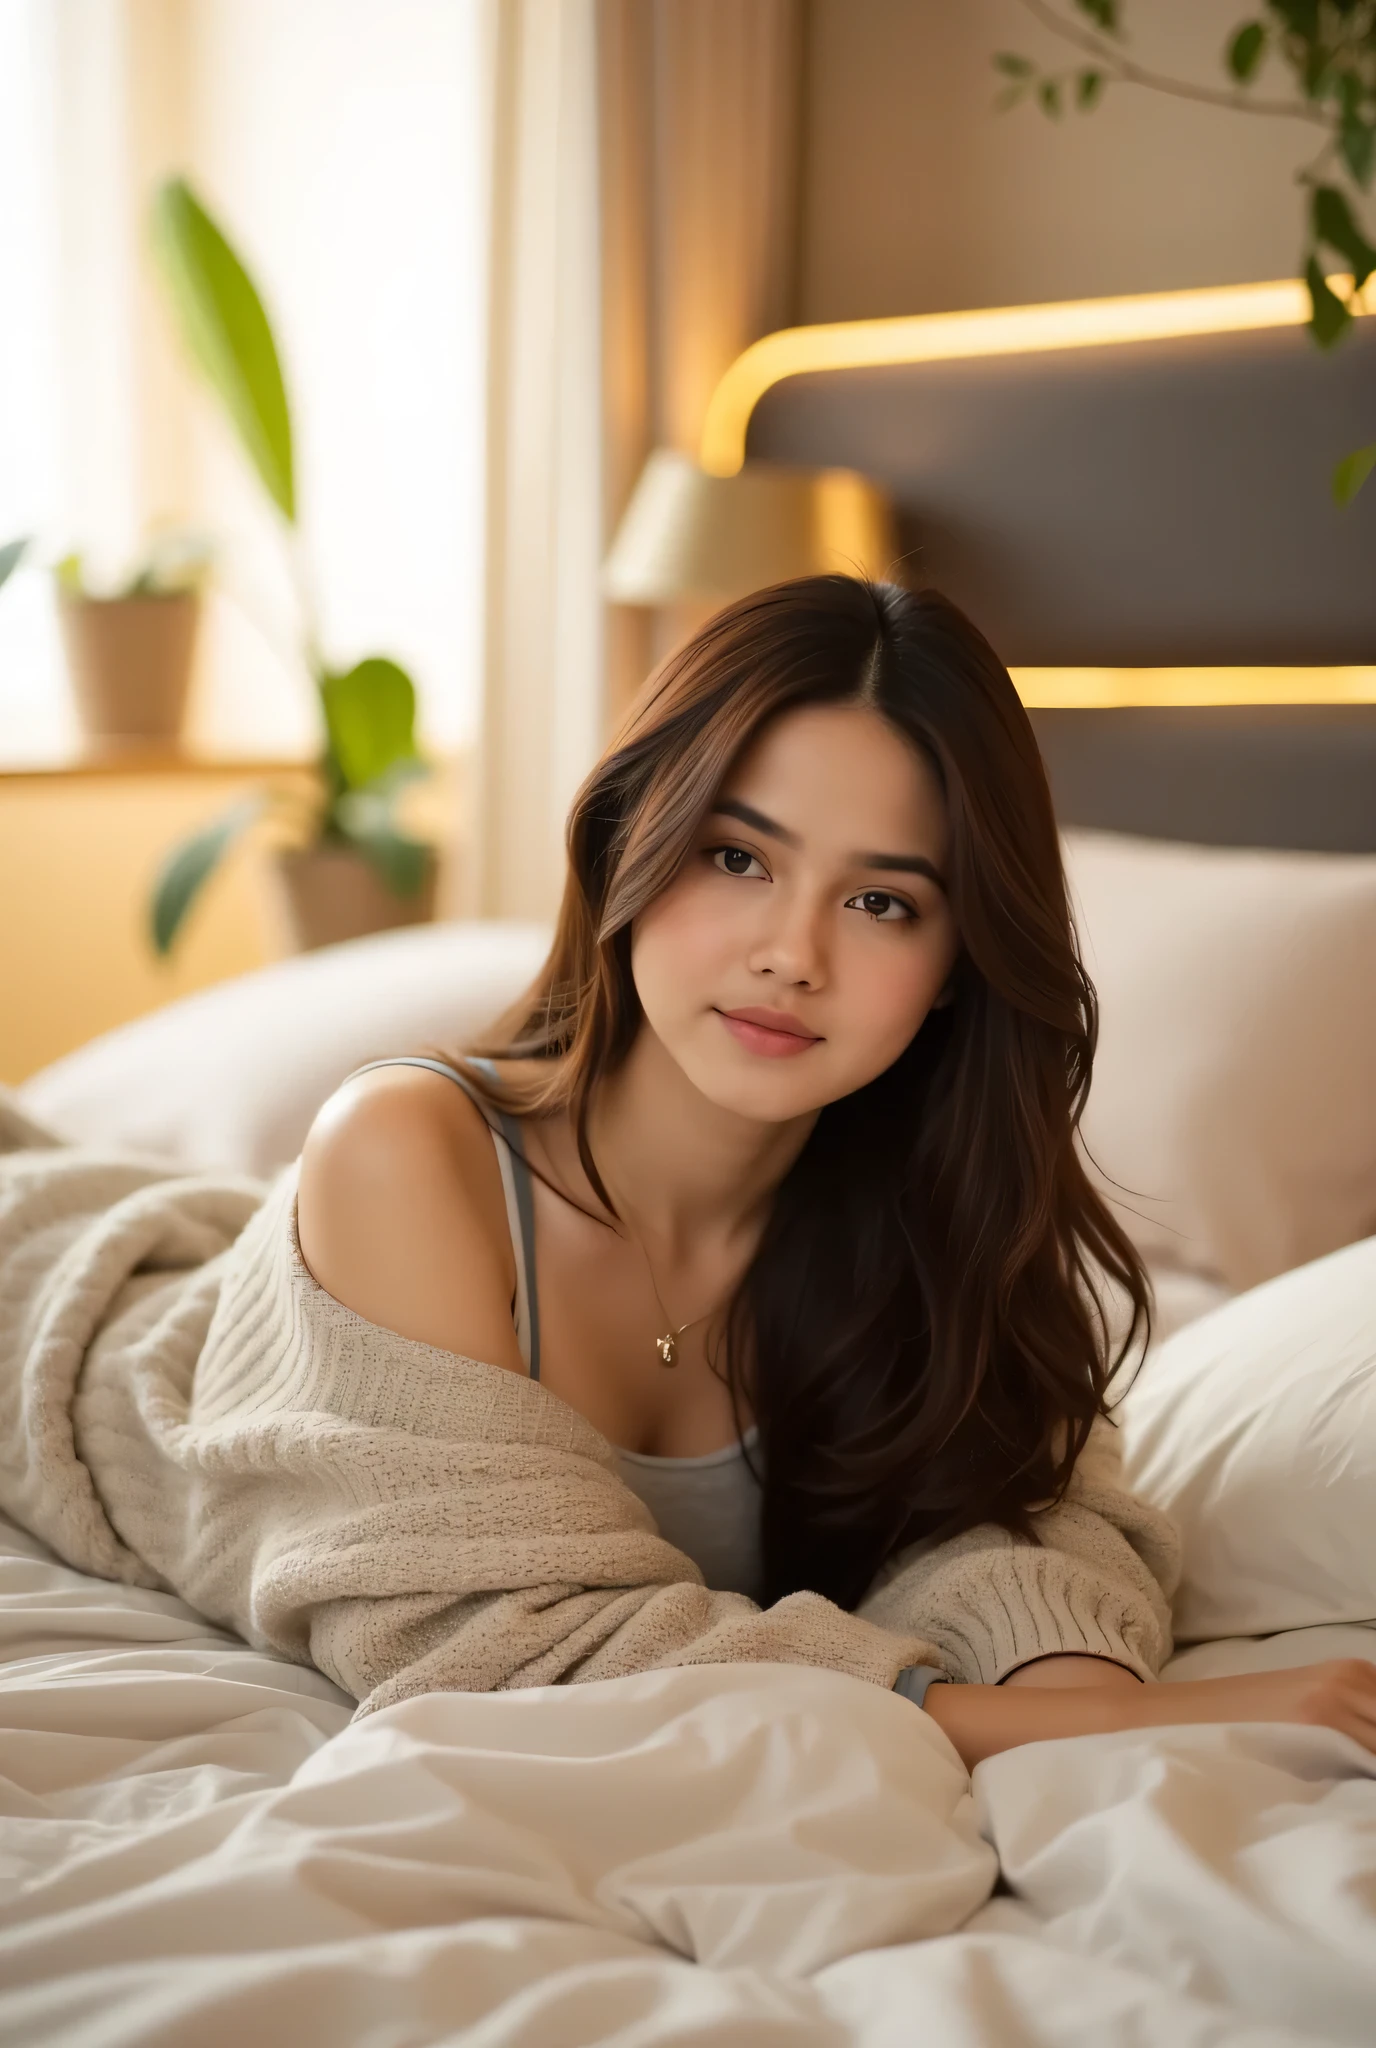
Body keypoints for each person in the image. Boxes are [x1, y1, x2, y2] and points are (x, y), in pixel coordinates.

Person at [297, 575, 1376, 1765]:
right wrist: (1086, 1716)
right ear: (626, 845)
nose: (791, 954)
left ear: (958, 961)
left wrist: (1074, 1685)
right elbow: (490, 1643)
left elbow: (1024, 1525)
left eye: (879, 900)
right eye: (736, 856)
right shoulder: (403, 1152)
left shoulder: (937, 1220)